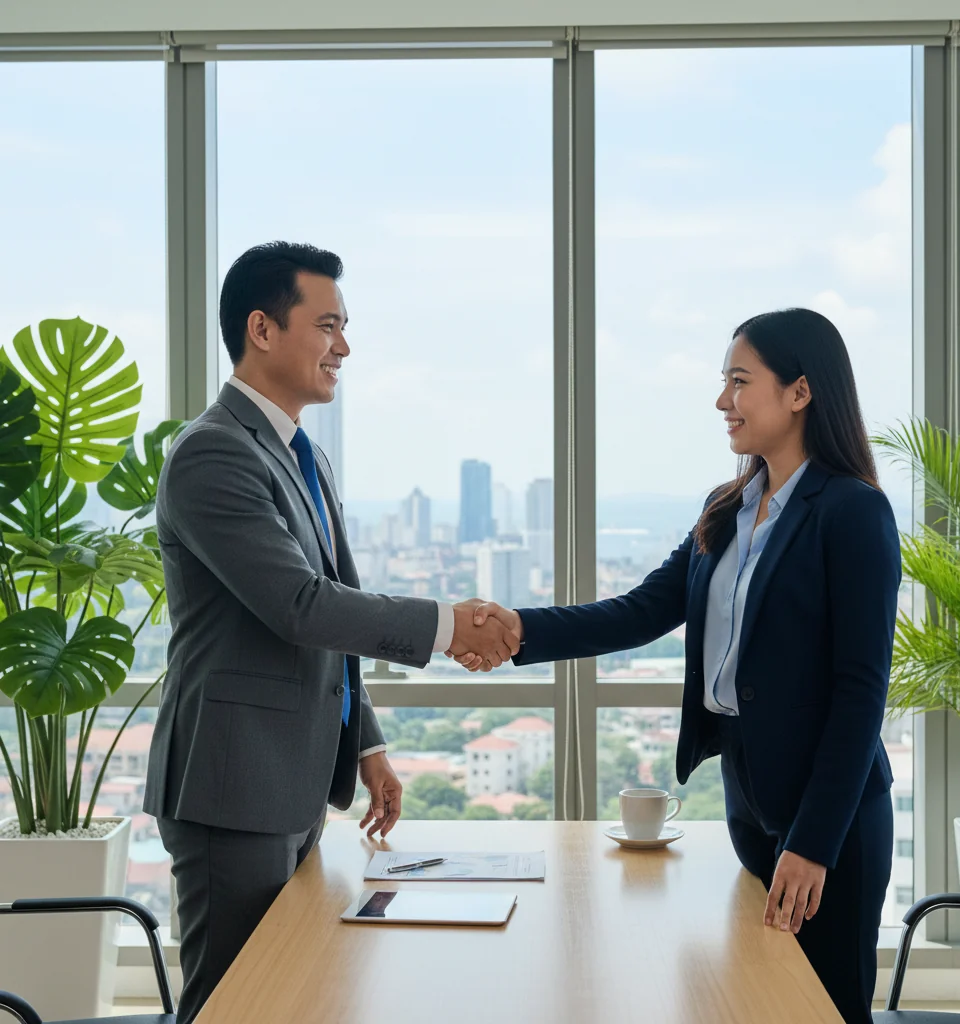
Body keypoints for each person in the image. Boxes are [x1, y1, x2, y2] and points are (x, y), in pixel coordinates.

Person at [458, 308, 900, 1024]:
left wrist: (814, 844)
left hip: (832, 820)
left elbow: (860, 693)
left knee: (825, 1008)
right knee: (756, 1001)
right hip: (750, 802)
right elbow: (638, 611)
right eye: (725, 382)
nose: (723, 400)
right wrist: (518, 629)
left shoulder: (852, 512)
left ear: (800, 391)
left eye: (740, 381)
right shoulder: (727, 508)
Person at [143, 241, 518, 1024]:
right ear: (262, 329)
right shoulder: (213, 453)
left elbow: (331, 613)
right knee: (233, 1004)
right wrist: (450, 625)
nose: (344, 346)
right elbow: (302, 606)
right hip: (232, 785)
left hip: (291, 779)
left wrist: (367, 743)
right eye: (327, 326)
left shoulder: (302, 455)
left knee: (288, 995)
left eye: (344, 327)